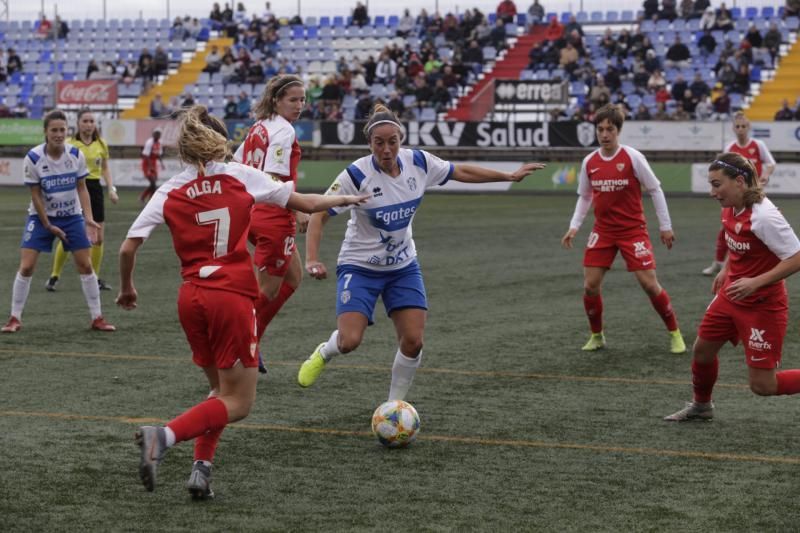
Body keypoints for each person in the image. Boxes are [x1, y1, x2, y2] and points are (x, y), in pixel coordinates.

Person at [120, 106, 368, 498]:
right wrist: (350, 198)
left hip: (191, 299)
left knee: (220, 391)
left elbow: (128, 248)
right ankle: (163, 437)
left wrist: (127, 289)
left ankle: (201, 468)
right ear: (221, 143)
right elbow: (303, 203)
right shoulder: (240, 175)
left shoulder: (169, 189)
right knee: (239, 402)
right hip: (231, 298)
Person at [296, 104, 545, 401]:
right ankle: (325, 352)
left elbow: (459, 170)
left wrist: (509, 176)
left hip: (402, 266)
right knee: (350, 341)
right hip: (360, 266)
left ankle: (394, 405)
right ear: (369, 144)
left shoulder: (419, 162)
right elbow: (318, 215)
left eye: (393, 141)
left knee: (413, 341)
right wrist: (312, 258)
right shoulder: (355, 175)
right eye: (379, 143)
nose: (386, 149)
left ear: (401, 140)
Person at [664, 153, 800, 422]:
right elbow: (735, 241)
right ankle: (702, 406)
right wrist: (727, 269)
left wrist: (755, 282)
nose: (712, 192)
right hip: (730, 297)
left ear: (739, 181)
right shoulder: (729, 206)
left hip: (763, 305)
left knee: (763, 386)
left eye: (717, 184)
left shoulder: (765, 216)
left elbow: (796, 256)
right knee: (702, 351)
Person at [561, 104, 686, 354]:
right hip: (603, 231)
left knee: (649, 284)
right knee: (590, 285)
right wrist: (574, 226)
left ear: (619, 131)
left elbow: (655, 189)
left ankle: (675, 333)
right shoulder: (590, 162)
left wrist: (666, 226)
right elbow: (585, 196)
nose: (605, 134)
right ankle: (597, 336)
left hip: (633, 231)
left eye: (610, 129)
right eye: (600, 129)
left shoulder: (633, 157)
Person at [1, 110, 115, 333]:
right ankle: (14, 318)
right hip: (40, 216)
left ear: (67, 131)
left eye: (62, 130)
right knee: (26, 266)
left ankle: (97, 318)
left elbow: (82, 188)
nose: (58, 134)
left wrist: (88, 218)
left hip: (72, 216)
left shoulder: (75, 154)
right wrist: (47, 225)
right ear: (45, 132)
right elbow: (35, 194)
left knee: (85, 265)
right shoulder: (33, 158)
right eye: (54, 130)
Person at [233, 74, 308, 374]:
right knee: (269, 290)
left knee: (293, 278)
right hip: (274, 215)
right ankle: (236, 341)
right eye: (293, 99)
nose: (300, 105)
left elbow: (236, 164)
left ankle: (252, 340)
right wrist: (299, 206)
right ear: (276, 100)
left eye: (303, 99)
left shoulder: (257, 128)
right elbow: (276, 178)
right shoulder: (283, 131)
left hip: (254, 213)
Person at [46, 109, 119, 293]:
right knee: (69, 236)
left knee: (99, 238)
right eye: (85, 121)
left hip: (94, 189)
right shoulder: (70, 144)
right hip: (75, 188)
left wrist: (111, 188)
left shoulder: (101, 144)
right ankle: (54, 276)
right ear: (78, 124)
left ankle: (94, 277)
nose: (88, 124)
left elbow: (105, 169)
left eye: (91, 121)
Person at [703, 113, 776, 276]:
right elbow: (720, 169)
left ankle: (756, 265)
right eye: (738, 126)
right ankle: (719, 263)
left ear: (748, 127)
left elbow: (771, 163)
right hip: (733, 196)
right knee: (725, 228)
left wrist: (765, 175)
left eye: (743, 126)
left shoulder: (758, 144)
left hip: (753, 195)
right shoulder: (730, 148)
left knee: (754, 228)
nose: (741, 129)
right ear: (733, 128)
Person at [140, 129, 164, 204]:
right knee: (153, 183)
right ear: (153, 134)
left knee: (153, 184)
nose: (157, 135)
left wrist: (162, 164)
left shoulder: (159, 143)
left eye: (159, 134)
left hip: (153, 164)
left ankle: (146, 198)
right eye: (156, 134)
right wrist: (150, 167)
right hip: (147, 164)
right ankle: (148, 199)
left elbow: (158, 154)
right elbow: (146, 156)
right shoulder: (149, 142)